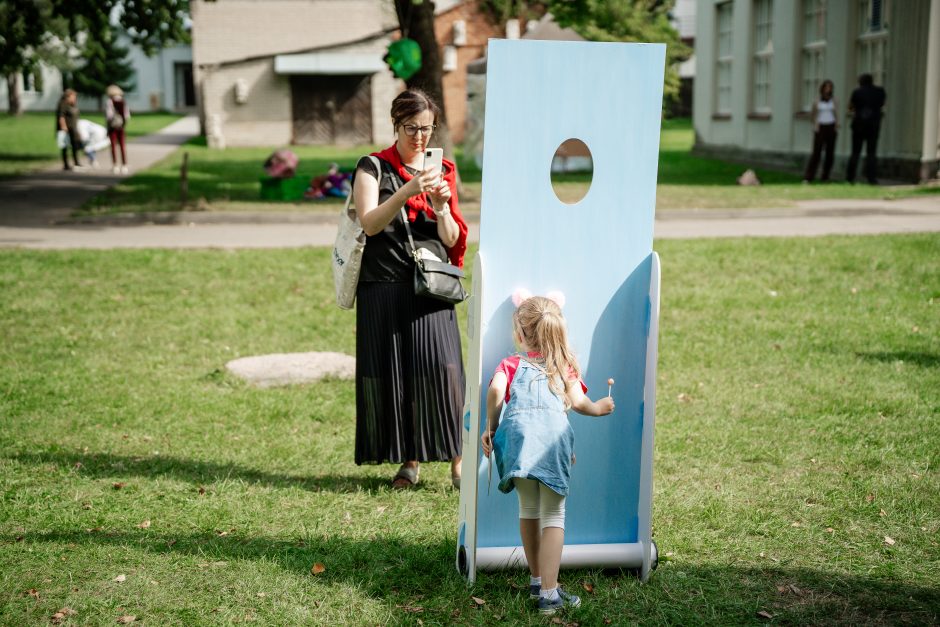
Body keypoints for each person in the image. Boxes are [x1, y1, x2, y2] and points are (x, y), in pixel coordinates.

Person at [352, 89, 469, 489]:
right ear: (396, 125)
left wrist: (439, 205)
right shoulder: (372, 167)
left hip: (430, 285)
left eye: (427, 129)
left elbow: (451, 237)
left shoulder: (444, 169)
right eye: (412, 128)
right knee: (397, 374)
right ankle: (409, 463)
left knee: (444, 370)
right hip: (383, 285)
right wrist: (407, 189)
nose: (420, 137)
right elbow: (369, 223)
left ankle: (458, 461)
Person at [481, 294, 615, 615]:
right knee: (553, 515)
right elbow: (580, 403)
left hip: (517, 445)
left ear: (520, 334)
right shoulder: (563, 367)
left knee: (528, 508)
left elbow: (497, 391)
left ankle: (536, 581)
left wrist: (492, 426)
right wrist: (599, 408)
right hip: (552, 443)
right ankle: (550, 595)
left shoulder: (510, 364)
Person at [846, 73, 886, 184]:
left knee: (855, 152)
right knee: (871, 153)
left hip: (859, 125)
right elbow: (882, 104)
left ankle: (850, 176)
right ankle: (871, 177)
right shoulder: (879, 91)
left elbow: (850, 106)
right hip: (873, 124)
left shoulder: (857, 92)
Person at [803, 79, 838, 183]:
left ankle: (825, 176)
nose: (828, 89)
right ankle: (809, 176)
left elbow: (836, 113)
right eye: (826, 87)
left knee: (830, 153)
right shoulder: (817, 100)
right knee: (816, 153)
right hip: (820, 127)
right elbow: (813, 114)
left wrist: (836, 124)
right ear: (822, 89)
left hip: (831, 126)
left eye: (830, 87)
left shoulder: (834, 100)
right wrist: (815, 124)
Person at [105, 84, 131, 174]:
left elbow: (109, 116)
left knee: (113, 146)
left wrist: (108, 124)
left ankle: (115, 165)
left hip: (113, 127)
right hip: (121, 126)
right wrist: (123, 123)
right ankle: (124, 165)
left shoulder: (110, 101)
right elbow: (127, 115)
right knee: (122, 146)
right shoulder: (123, 101)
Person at [55, 89, 82, 170]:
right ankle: (66, 164)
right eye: (73, 96)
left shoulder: (72, 104)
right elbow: (61, 116)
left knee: (75, 145)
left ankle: (76, 162)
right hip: (66, 129)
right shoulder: (63, 104)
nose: (75, 98)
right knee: (65, 146)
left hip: (73, 128)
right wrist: (63, 127)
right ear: (68, 96)